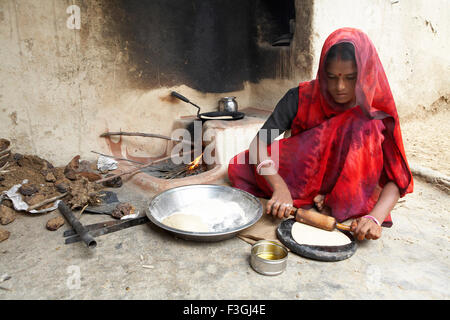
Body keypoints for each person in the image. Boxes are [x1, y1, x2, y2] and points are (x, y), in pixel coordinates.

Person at [227, 28, 413, 241]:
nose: (339, 87)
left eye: (350, 78)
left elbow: (397, 178)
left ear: (365, 74)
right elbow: (258, 144)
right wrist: (280, 188)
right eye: (331, 77)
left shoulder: (375, 113)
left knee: (366, 125)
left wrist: (374, 218)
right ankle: (317, 198)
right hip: (300, 179)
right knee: (243, 165)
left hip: (351, 189)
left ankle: (337, 201)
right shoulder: (302, 97)